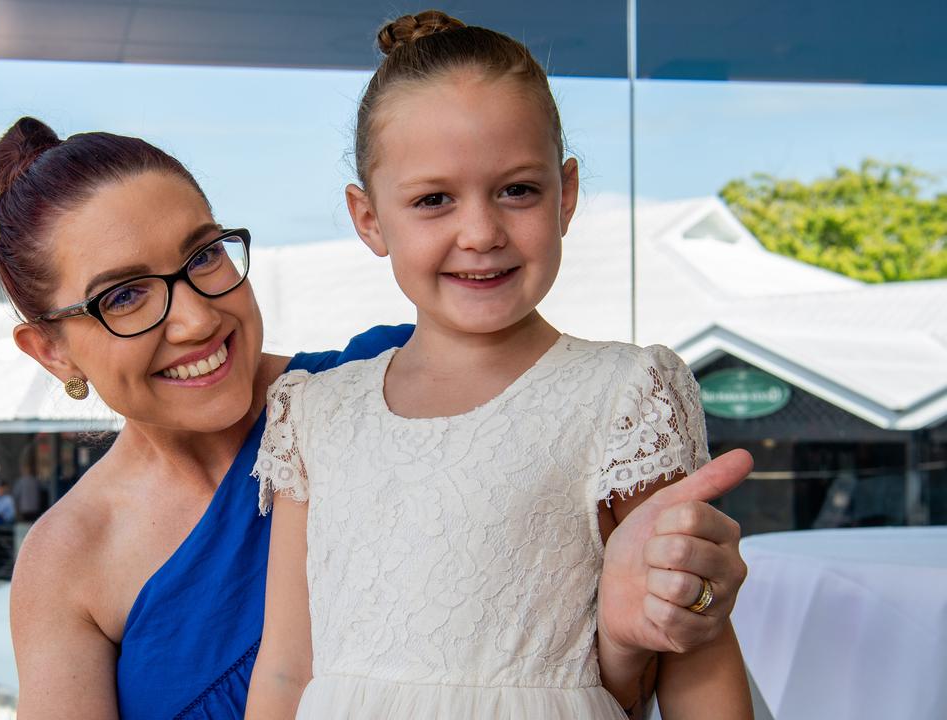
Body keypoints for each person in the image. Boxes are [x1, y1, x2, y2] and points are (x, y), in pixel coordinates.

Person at [0, 108, 752, 718]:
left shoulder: (387, 384)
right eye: (124, 295)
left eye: (204, 254)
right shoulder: (67, 561)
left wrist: (653, 621)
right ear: (50, 351)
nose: (200, 314)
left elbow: (577, 671)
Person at [245, 12, 753, 720]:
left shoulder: (625, 396)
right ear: (368, 220)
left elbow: (693, 645)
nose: (481, 232)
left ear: (566, 193)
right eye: (433, 200)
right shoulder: (315, 414)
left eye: (517, 190)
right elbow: (284, 669)